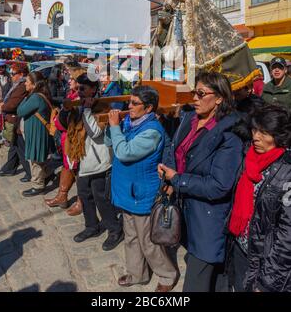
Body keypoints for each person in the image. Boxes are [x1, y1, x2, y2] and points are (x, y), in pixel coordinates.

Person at [159, 71, 243, 292]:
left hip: (208, 221)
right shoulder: (189, 119)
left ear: (219, 98)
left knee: (195, 285)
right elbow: (174, 148)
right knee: (211, 279)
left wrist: (177, 179)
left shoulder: (229, 136)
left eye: (201, 93)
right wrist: (169, 173)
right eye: (194, 92)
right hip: (187, 212)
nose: (194, 98)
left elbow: (219, 186)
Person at [106, 85, 178, 292]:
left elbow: (125, 153)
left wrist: (114, 126)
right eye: (129, 102)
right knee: (131, 236)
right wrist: (111, 127)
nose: (129, 107)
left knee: (148, 240)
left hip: (141, 193)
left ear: (148, 108)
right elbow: (111, 142)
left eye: (135, 103)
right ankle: (137, 273)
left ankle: (167, 275)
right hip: (127, 191)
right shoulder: (130, 122)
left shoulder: (152, 131)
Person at [228, 104, 291, 292]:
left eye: (264, 132)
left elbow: (287, 236)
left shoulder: (286, 171)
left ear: (279, 135)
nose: (256, 137)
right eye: (255, 130)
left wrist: (268, 282)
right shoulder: (249, 157)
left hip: (267, 262)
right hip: (241, 248)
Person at [66, 73, 123, 251]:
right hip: (83, 160)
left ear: (93, 89)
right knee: (84, 195)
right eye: (78, 88)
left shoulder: (103, 106)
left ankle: (114, 229)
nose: (79, 92)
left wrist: (88, 110)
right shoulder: (79, 106)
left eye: (83, 88)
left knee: (101, 199)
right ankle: (92, 226)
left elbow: (95, 133)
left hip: (99, 161)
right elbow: (67, 127)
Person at [45, 67, 85, 214]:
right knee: (68, 166)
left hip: (75, 139)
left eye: (73, 79)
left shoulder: (78, 99)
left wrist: (60, 118)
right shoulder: (72, 95)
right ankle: (62, 196)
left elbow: (71, 121)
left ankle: (82, 202)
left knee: (78, 171)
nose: (69, 81)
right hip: (67, 137)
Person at [17, 72, 54, 197]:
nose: (25, 83)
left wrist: (25, 97)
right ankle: (48, 174)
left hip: (36, 132)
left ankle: (38, 185)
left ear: (33, 85)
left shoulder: (35, 98)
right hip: (38, 130)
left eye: (27, 81)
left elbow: (20, 111)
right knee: (39, 156)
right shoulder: (41, 95)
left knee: (35, 158)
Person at [0, 63, 31, 181]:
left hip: (19, 119)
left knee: (20, 147)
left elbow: (13, 104)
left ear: (21, 74)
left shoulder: (22, 85)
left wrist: (3, 106)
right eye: (10, 73)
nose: (11, 76)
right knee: (15, 146)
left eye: (13, 73)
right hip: (15, 119)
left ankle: (31, 172)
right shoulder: (17, 84)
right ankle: (9, 168)